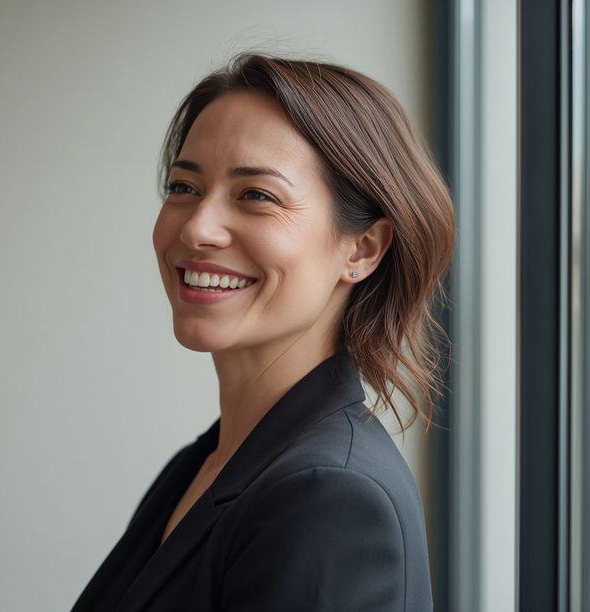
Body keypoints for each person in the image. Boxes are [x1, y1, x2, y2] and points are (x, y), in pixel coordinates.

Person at [71, 53, 455, 612]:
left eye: (257, 195)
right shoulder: (203, 465)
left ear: (362, 248)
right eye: (184, 187)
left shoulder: (332, 497)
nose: (198, 227)